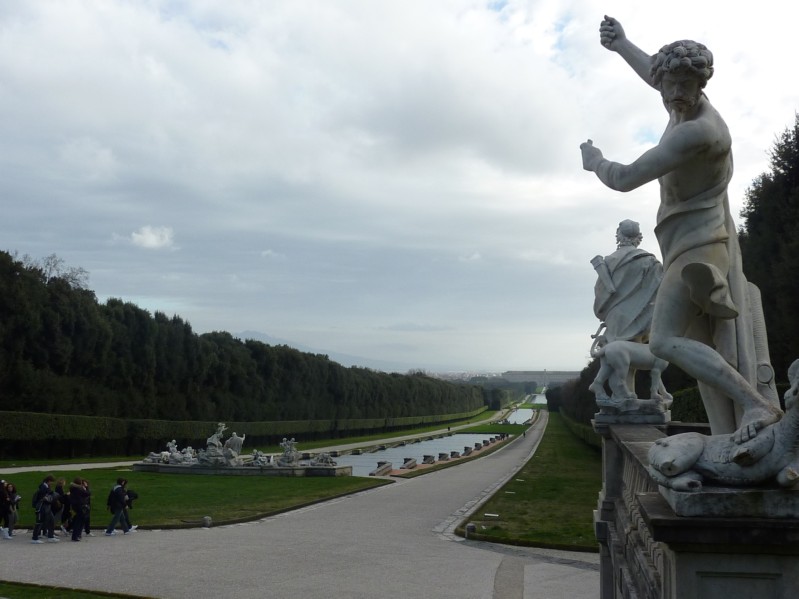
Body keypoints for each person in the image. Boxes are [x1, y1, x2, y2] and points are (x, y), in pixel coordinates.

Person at [580, 15, 782, 442]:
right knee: (707, 346)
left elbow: (625, 178)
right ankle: (732, 430)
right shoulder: (681, 99)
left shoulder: (698, 132)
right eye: (667, 85)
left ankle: (756, 406)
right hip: (683, 244)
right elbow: (656, 75)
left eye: (681, 87)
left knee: (664, 343)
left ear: (700, 83)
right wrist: (622, 45)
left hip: (700, 249)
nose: (672, 95)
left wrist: (595, 160)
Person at [31, 475, 59, 543]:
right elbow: (44, 496)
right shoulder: (43, 487)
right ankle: (35, 538)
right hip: (41, 507)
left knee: (51, 521)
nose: (52, 483)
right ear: (49, 481)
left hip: (47, 507)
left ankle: (50, 536)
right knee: (39, 522)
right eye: (52, 482)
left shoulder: (46, 486)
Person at [68, 477, 90, 542]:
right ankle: (75, 536)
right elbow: (87, 493)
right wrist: (86, 487)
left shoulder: (73, 488)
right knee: (79, 521)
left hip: (76, 505)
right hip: (79, 506)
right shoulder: (78, 489)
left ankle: (77, 535)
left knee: (79, 520)